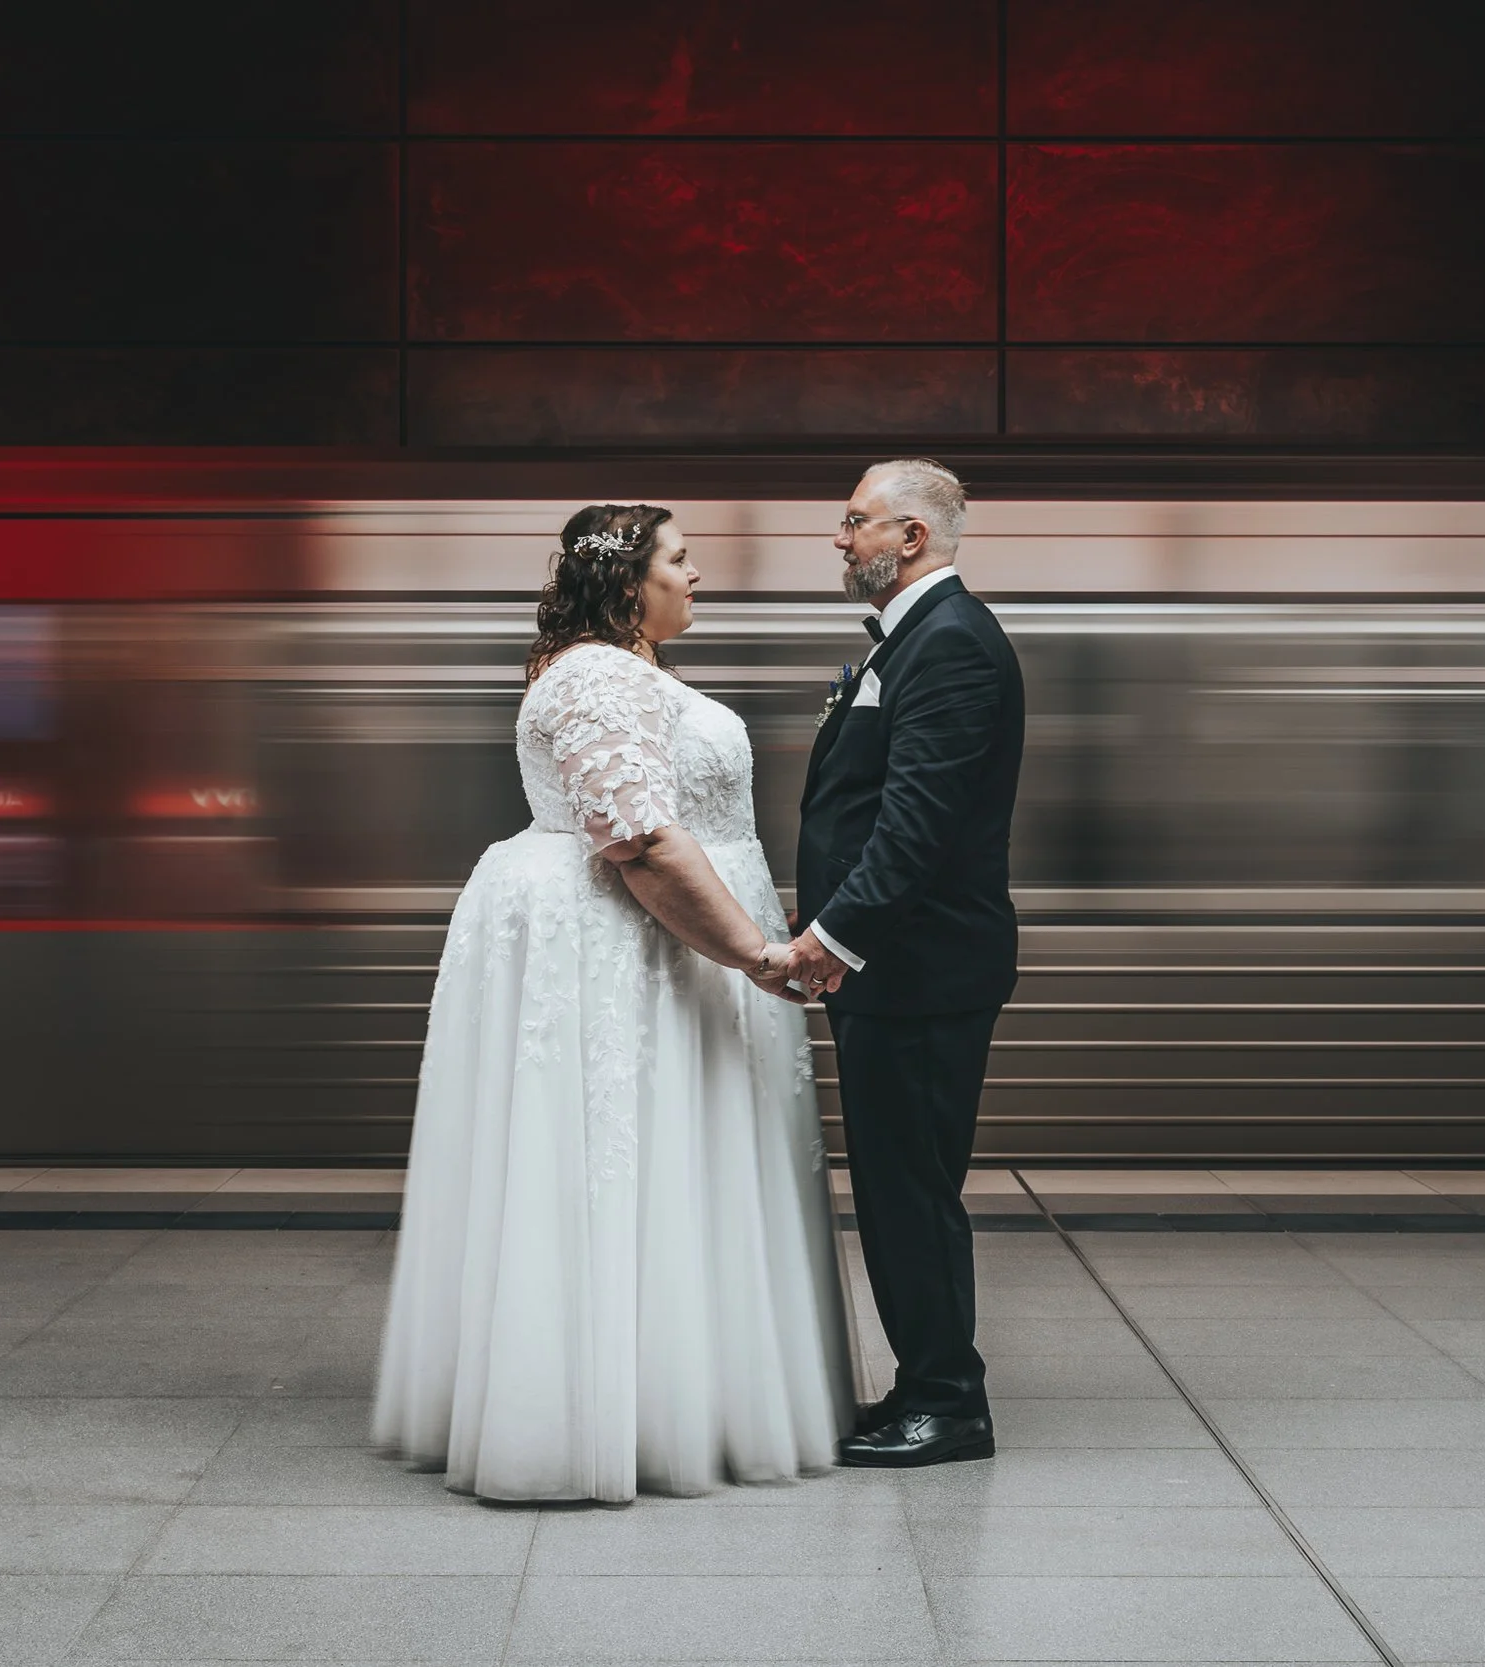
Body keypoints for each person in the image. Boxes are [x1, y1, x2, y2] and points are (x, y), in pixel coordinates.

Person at [372, 503, 852, 1503]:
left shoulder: (615, 672)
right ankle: (616, 1408)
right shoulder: (597, 674)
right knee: (631, 1162)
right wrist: (755, 952)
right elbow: (637, 836)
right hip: (643, 952)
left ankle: (666, 1389)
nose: (697, 573)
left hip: (664, 946)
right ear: (628, 581)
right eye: (680, 558)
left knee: (648, 1168)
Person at [780, 458, 1024, 1468]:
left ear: (910, 538)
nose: (839, 539)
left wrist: (831, 940)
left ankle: (946, 1400)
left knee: (909, 1186)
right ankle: (922, 1381)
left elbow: (913, 825)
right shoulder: (918, 640)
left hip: (918, 970)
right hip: (900, 969)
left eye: (853, 522)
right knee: (894, 1183)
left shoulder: (952, 645)